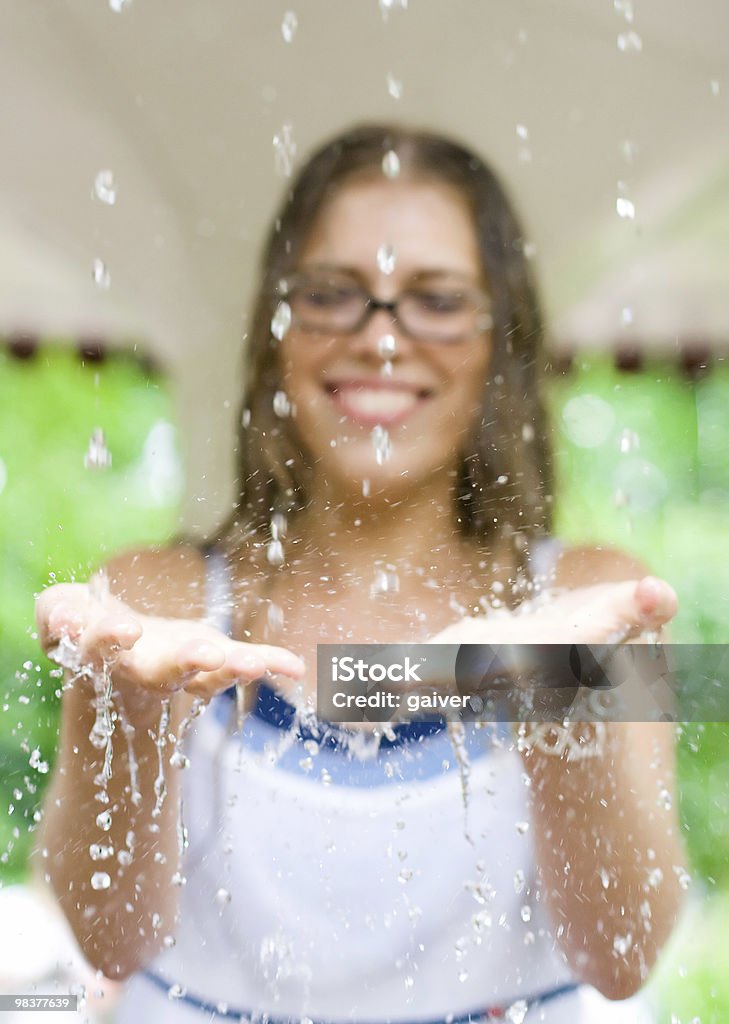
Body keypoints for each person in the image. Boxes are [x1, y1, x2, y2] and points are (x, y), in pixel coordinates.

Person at [35, 123, 686, 1023]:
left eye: (438, 299)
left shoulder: (587, 601)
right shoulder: (156, 602)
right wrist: (129, 717)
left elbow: (621, 957)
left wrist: (557, 706)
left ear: (503, 340)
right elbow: (106, 944)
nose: (382, 338)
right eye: (335, 293)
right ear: (276, 331)